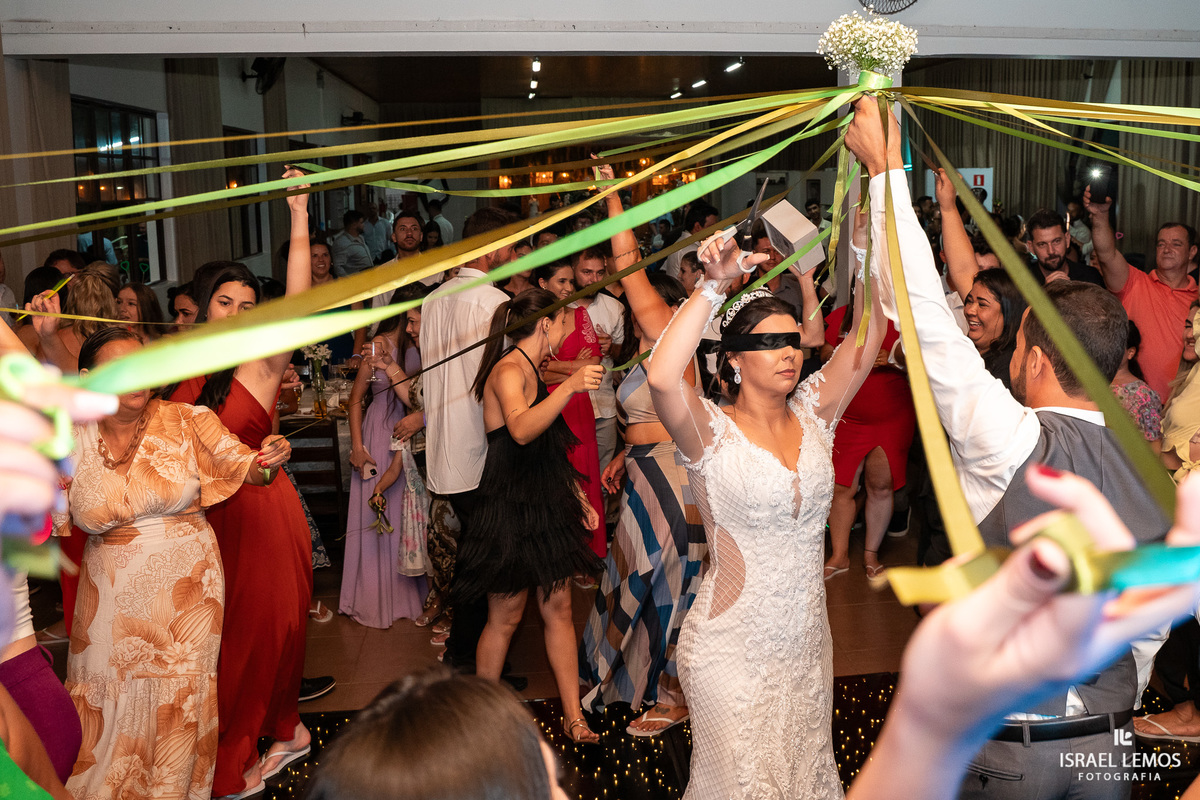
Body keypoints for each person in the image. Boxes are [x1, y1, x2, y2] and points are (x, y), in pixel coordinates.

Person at [849, 97, 1169, 800]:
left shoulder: (1014, 439)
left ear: (1037, 361)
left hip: (1012, 744)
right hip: (1112, 747)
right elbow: (1149, 626)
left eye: (1020, 346)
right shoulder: (1155, 473)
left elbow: (928, 325)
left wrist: (884, 174)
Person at [647, 178, 884, 796]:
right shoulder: (709, 433)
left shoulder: (815, 413)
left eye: (793, 341)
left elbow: (869, 336)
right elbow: (663, 376)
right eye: (768, 343)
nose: (789, 353)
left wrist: (864, 251)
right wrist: (711, 286)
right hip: (729, 649)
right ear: (732, 358)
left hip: (808, 646)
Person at [62, 327, 291, 800]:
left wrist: (270, 458)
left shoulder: (188, 419)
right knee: (103, 702)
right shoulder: (68, 435)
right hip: (106, 596)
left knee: (175, 704)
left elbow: (250, 468)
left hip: (184, 593)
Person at [167, 173, 316, 798]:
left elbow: (302, 299)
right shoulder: (182, 364)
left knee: (254, 638)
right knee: (217, 639)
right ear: (204, 307)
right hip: (202, 517)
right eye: (225, 301)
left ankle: (252, 745)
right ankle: (286, 730)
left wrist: (299, 213)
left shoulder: (262, 361)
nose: (237, 313)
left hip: (257, 509)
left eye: (249, 305)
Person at [581, 166, 706, 736]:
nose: (629, 294)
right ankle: (639, 678)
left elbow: (628, 263)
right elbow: (642, 417)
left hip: (675, 479)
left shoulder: (668, 329)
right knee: (638, 575)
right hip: (642, 473)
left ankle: (674, 693)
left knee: (673, 581)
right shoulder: (640, 346)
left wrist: (614, 201)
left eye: (639, 292)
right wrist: (621, 456)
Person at [456, 288, 605, 743]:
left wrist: (577, 499)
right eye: (561, 322)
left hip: (543, 504)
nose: (565, 330)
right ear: (546, 323)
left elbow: (547, 449)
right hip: (508, 506)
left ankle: (574, 716)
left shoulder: (532, 370)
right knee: (505, 615)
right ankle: (482, 716)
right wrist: (571, 386)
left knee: (559, 609)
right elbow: (521, 431)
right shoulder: (507, 371)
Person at [422, 206, 516, 673]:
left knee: (474, 557)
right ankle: (472, 662)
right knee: (488, 562)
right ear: (495, 246)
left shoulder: (433, 299)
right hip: (480, 449)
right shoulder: (492, 302)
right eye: (513, 245)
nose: (516, 255)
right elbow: (498, 382)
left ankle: (467, 656)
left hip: (444, 447)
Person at [821, 247, 915, 579]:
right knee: (842, 486)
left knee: (881, 484)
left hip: (892, 417)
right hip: (848, 418)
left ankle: (871, 554)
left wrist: (892, 358)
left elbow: (925, 363)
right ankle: (840, 554)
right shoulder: (843, 315)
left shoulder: (904, 318)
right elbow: (824, 354)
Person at [341, 301, 427, 629]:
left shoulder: (425, 339)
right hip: (379, 428)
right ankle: (370, 597)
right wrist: (358, 445)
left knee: (407, 511)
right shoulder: (378, 345)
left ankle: (409, 595)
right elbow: (355, 398)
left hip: (412, 427)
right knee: (376, 509)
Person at [1085, 187, 1198, 400]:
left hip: (1181, 408)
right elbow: (1106, 253)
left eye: (1176, 244)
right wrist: (1100, 216)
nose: (1167, 249)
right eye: (1161, 244)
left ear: (1192, 252)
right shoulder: (1134, 282)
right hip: (1131, 405)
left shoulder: (1197, 299)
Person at [537, 261, 606, 559]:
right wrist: (572, 368)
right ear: (542, 283)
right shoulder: (536, 319)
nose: (568, 288)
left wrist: (555, 367)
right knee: (555, 478)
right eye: (561, 281)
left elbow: (593, 366)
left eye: (570, 282)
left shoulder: (580, 314)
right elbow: (534, 373)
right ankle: (558, 554)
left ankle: (583, 555)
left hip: (578, 409)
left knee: (583, 476)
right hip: (546, 407)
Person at [569, 248, 625, 486]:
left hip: (604, 406)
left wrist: (610, 348)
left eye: (600, 273)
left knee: (603, 476)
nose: (594, 279)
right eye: (586, 272)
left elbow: (622, 354)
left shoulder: (614, 307)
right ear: (573, 271)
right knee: (572, 476)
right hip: (569, 406)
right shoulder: (561, 308)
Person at [26, 267, 118, 374]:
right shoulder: (121, 339)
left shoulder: (58, 334)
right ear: (111, 302)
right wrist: (48, 335)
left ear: (72, 301)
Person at [962, 269, 1028, 389]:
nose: (970, 310)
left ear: (1007, 314)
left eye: (982, 305)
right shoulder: (962, 349)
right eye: (969, 301)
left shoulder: (1008, 368)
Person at [1111, 322, 1163, 448]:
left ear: (1130, 352)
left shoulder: (1144, 395)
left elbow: (1154, 446)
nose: (1108, 349)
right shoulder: (1090, 383)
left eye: (1115, 345)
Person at [1024, 208, 1104, 287]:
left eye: (1057, 241)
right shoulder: (1021, 283)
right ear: (1031, 247)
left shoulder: (1090, 277)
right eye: (1042, 244)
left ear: (1067, 240)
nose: (1051, 251)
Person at [661, 202, 719, 279]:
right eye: (711, 227)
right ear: (698, 227)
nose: (715, 231)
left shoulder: (681, 243)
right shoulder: (692, 250)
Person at [331, 210, 373, 276]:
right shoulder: (342, 243)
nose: (364, 225)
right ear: (354, 225)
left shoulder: (361, 238)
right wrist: (349, 282)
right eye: (361, 223)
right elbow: (338, 267)